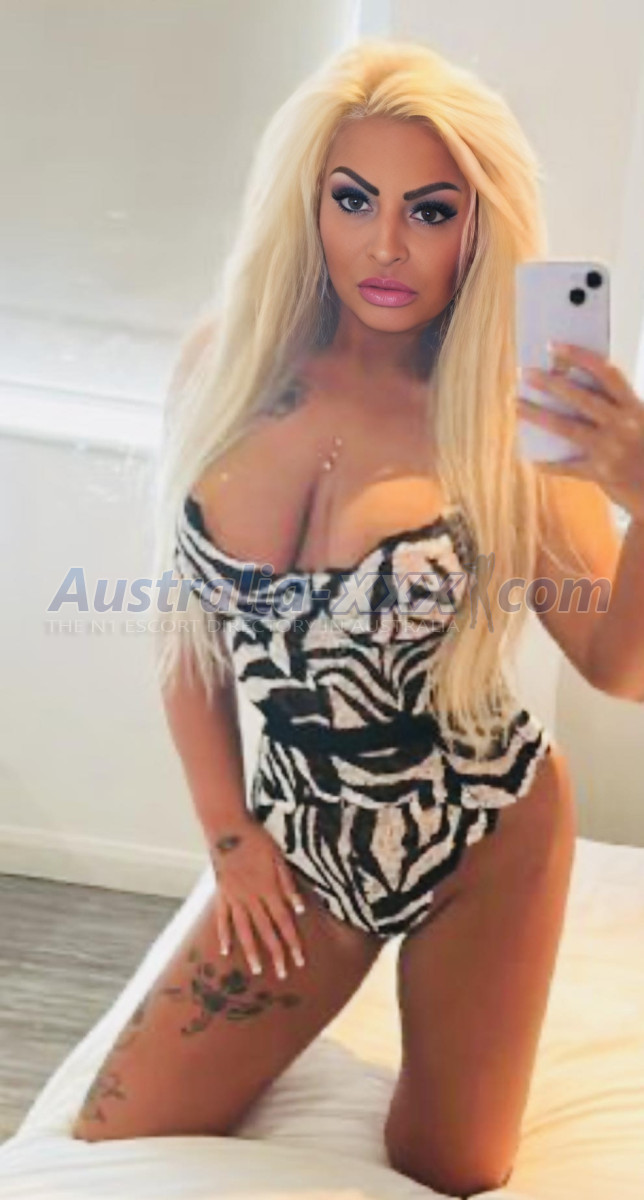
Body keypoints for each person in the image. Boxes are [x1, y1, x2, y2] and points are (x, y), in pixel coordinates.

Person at [72, 36, 623, 1197]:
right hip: (306, 837)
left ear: (477, 226)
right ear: (307, 202)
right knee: (113, 1138)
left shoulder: (507, 410)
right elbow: (189, 636)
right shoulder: (224, 365)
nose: (385, 246)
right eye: (354, 198)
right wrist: (233, 842)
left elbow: (618, 666)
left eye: (430, 210)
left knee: (449, 1166)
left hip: (482, 835)